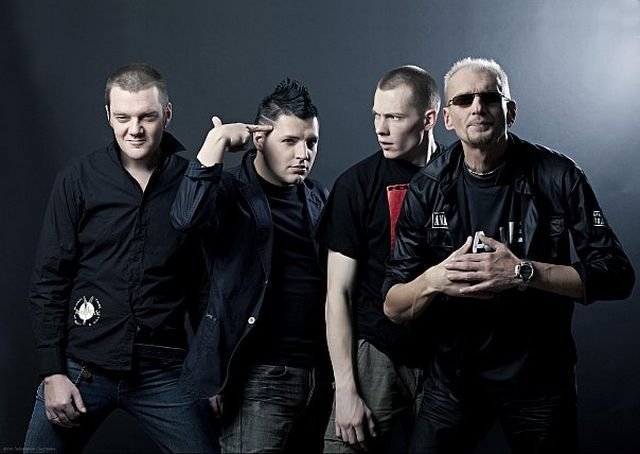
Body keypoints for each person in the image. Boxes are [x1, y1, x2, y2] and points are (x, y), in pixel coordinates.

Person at [383, 57, 635, 453]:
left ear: (510, 111)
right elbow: (393, 305)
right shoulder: (427, 188)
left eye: (489, 98)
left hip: (538, 382)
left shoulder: (558, 175)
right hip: (454, 382)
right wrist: (435, 279)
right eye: (463, 100)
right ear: (447, 118)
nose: (477, 108)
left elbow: (617, 275)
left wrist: (523, 272)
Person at [24, 63, 218, 452]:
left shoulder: (192, 183)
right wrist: (53, 373)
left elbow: (205, 288)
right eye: (123, 117)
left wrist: (212, 373)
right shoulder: (78, 178)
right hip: (82, 368)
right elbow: (49, 278)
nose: (135, 129)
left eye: (147, 116)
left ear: (167, 114)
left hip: (165, 371)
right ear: (108, 115)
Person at [171, 78, 332, 453]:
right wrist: (215, 145)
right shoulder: (229, 191)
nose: (303, 153)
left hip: (317, 375)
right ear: (260, 139)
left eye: (311, 142)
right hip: (259, 378)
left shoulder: (318, 196)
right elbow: (185, 218)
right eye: (289, 141)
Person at [315, 65, 440, 453]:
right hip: (378, 349)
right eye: (376, 115)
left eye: (395, 117)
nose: (380, 129)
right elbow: (338, 294)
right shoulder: (356, 185)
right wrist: (346, 390)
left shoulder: (459, 176)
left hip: (446, 353)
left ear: (429, 119)